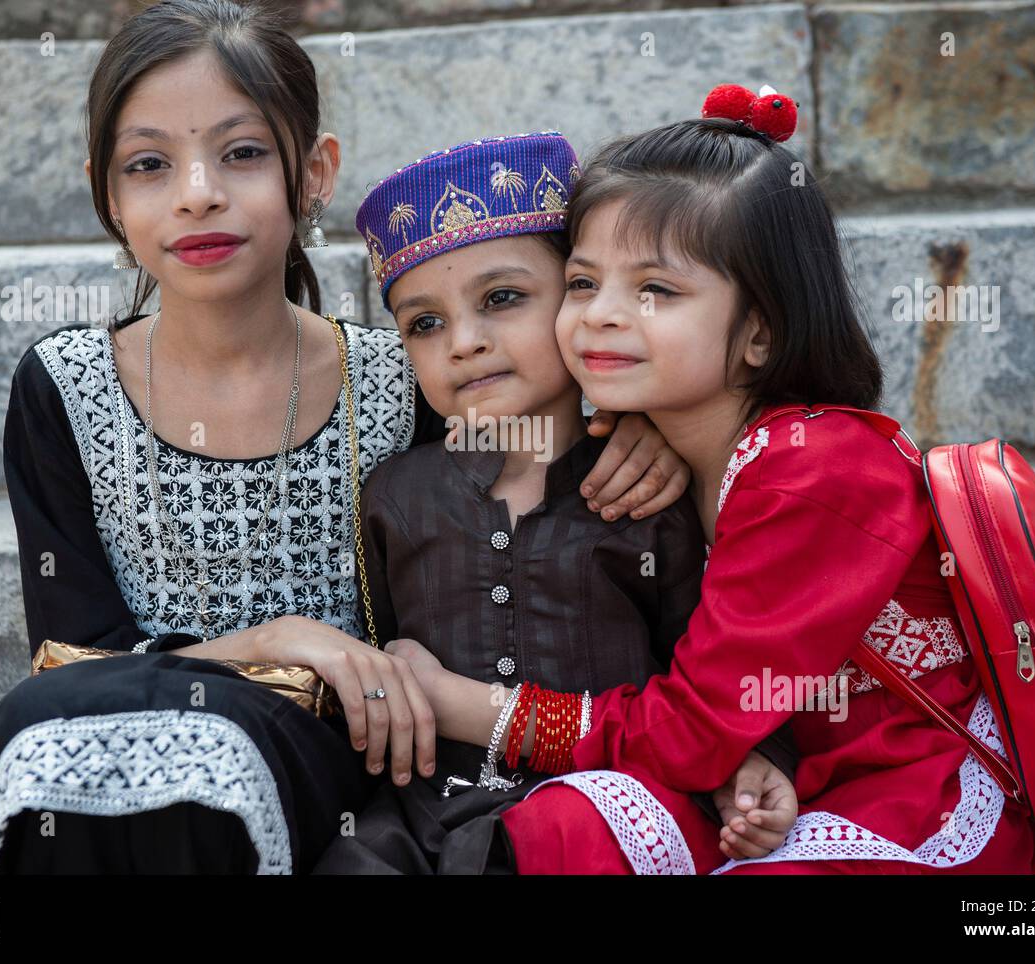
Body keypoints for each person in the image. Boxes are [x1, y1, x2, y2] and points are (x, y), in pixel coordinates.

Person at [0, 0, 697, 875]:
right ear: (108, 193)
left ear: (314, 173)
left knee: (204, 773)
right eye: (150, 164)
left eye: (241, 153)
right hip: (125, 703)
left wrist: (637, 427)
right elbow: (71, 654)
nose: (197, 191)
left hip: (334, 742)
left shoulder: (408, 376)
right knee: (44, 730)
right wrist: (278, 638)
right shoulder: (65, 386)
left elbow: (542, 428)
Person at [395, 86, 1035, 874]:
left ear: (762, 331)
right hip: (777, 784)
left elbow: (692, 733)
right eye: (582, 283)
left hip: (914, 793)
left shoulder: (815, 470)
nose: (602, 315)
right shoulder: (679, 440)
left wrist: (465, 706)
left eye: (657, 291)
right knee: (572, 830)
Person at [313, 131, 800, 874]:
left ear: (578, 299)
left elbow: (712, 673)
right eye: (425, 323)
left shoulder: (649, 489)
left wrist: (754, 760)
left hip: (606, 806)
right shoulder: (394, 496)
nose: (465, 343)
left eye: (502, 299)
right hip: (429, 809)